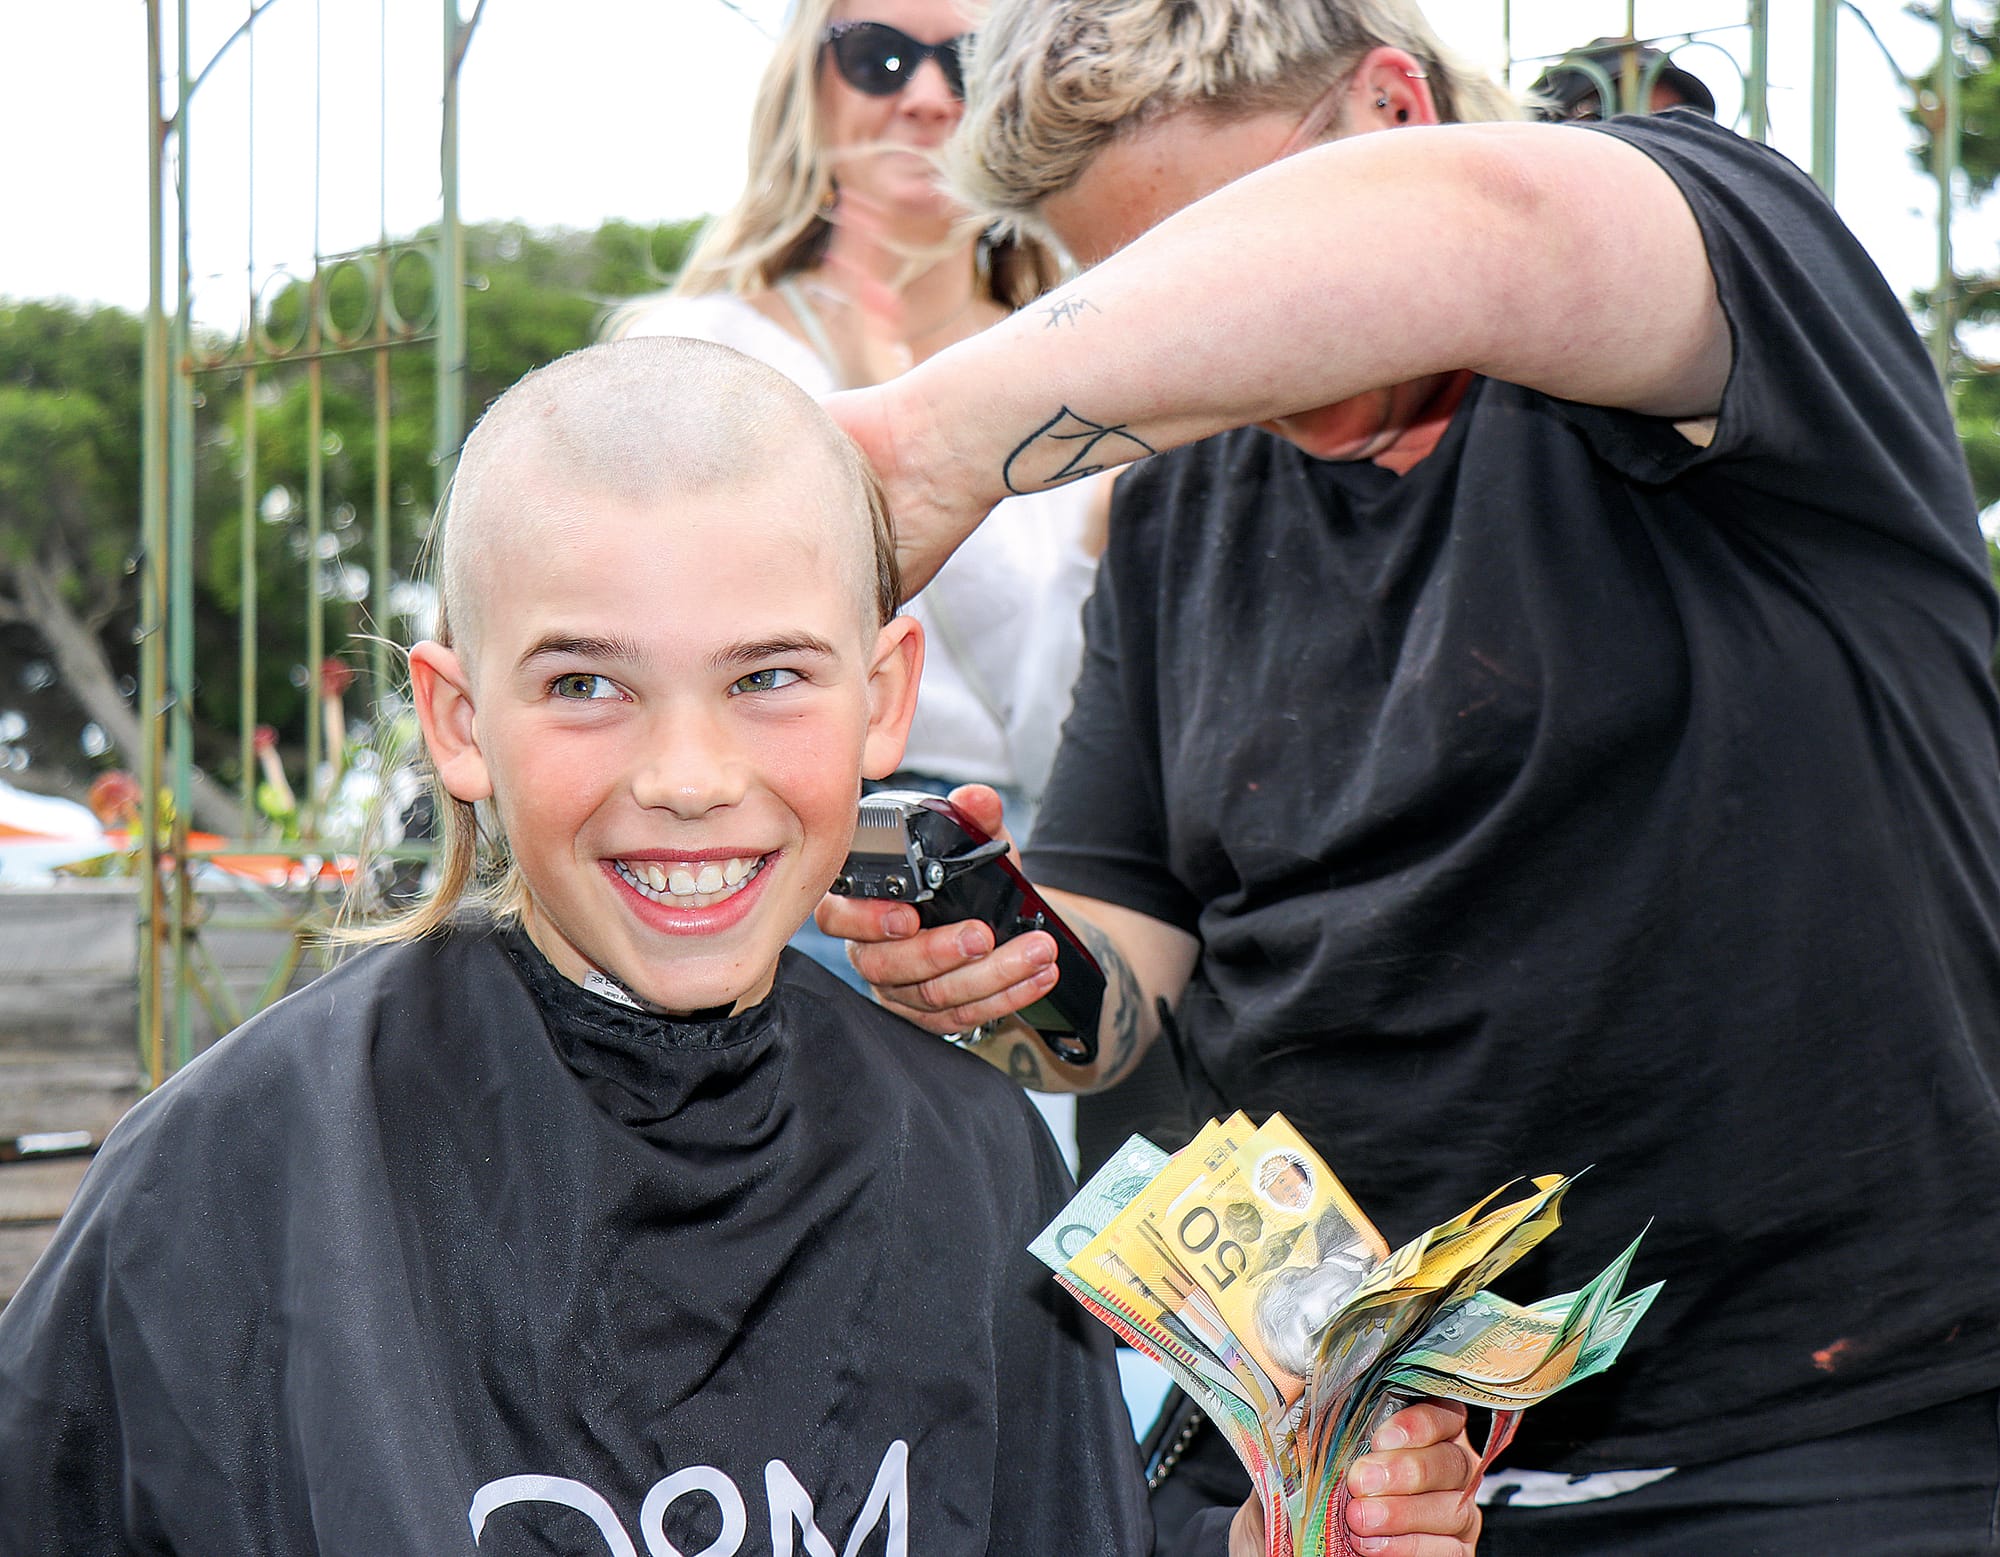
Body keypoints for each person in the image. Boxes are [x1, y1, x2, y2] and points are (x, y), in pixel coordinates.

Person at [815, 1, 2000, 1553]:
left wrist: (918, 445)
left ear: (1393, 104)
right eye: (1131, 290)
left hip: (1827, 1436)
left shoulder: (1718, 279)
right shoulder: (1182, 514)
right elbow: (1128, 973)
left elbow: (1491, 227)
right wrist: (1006, 962)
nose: (1213, 355)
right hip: (1355, 1471)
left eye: (1225, 270)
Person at [0, 338, 1482, 1557]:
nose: (690, 773)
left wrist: (1281, 1537)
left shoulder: (970, 1152)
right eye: (587, 683)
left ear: (886, 692)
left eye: (768, 675)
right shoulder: (238, 1169)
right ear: (459, 719)